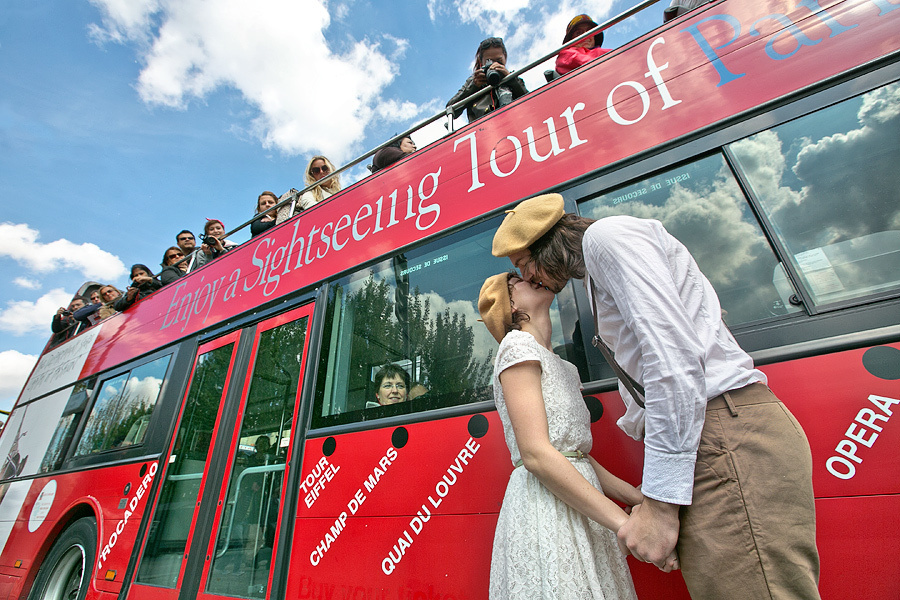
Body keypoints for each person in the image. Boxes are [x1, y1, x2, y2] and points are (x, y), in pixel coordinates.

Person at [492, 193, 821, 600]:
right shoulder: (599, 268)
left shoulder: (607, 239)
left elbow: (673, 362)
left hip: (719, 432)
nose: (530, 276)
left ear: (548, 244)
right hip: (709, 435)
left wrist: (661, 504)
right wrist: (648, 499)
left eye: (525, 263)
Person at [478, 272, 642, 599]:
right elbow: (536, 455)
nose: (531, 277)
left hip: (583, 504)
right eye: (518, 280)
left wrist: (641, 501)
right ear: (511, 304)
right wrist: (626, 525)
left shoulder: (566, 368)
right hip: (547, 507)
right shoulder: (516, 346)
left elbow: (577, 456)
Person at [447, 37, 528, 123]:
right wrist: (474, 87)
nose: (494, 65)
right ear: (481, 61)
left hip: (515, 123)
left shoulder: (514, 79)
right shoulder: (473, 82)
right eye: (489, 61)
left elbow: (532, 102)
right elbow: (451, 109)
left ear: (505, 57)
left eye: (499, 60)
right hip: (484, 127)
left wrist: (511, 80)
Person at [277, 156, 342, 224]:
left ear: (331, 169)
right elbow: (315, 211)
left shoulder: (340, 192)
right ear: (312, 175)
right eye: (316, 170)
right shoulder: (309, 194)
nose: (321, 172)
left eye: (325, 168)